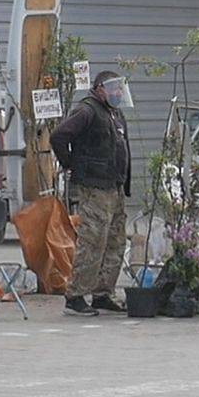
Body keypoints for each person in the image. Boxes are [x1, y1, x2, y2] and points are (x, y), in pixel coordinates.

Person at [50, 70, 133, 316]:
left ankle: (102, 293)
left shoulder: (115, 113)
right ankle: (75, 296)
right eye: (113, 88)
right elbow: (59, 136)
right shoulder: (87, 111)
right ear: (99, 89)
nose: (117, 93)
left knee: (115, 241)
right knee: (93, 241)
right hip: (95, 186)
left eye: (120, 88)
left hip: (114, 187)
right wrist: (72, 164)